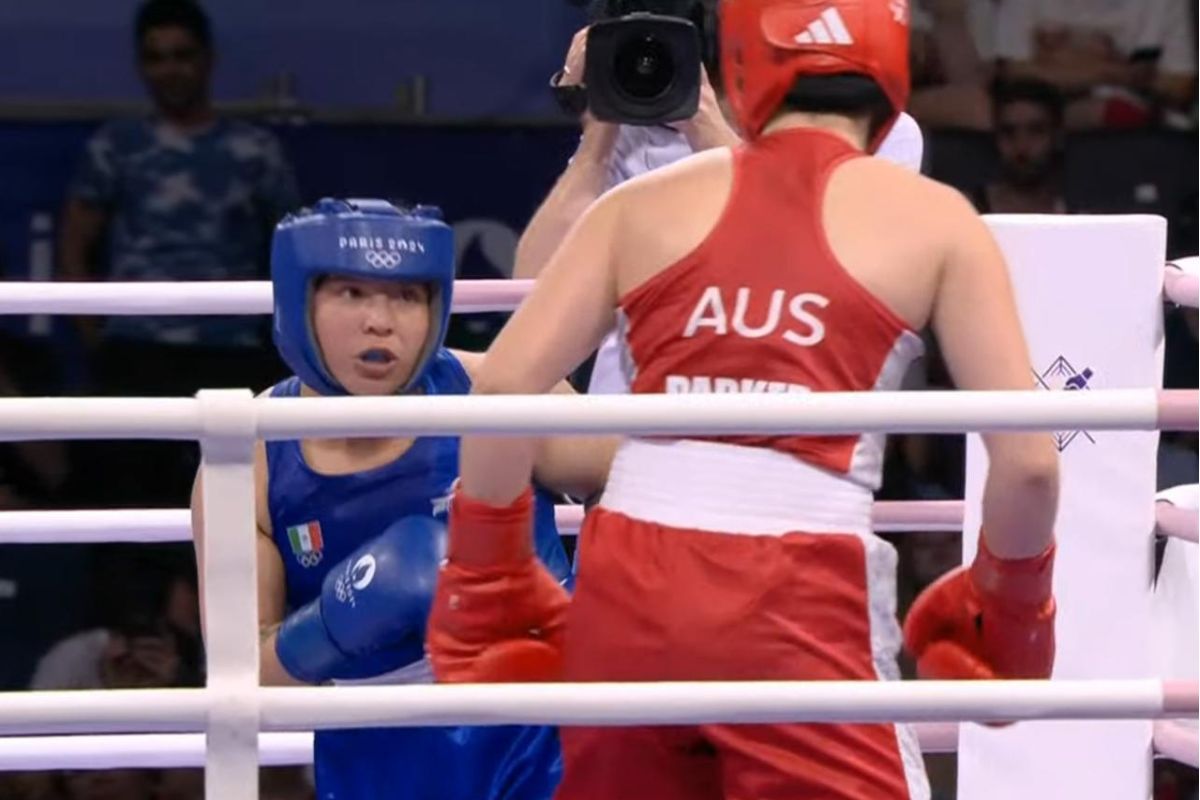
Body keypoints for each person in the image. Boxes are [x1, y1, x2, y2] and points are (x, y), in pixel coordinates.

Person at [428, 0, 1060, 797]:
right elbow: (1031, 464)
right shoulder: (935, 222)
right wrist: (1010, 607)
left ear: (733, 70)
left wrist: (489, 575)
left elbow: (507, 387)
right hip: (799, 580)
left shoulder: (639, 208)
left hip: (629, 570)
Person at [190, 198, 616, 799]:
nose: (381, 322)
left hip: (547, 734)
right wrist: (340, 619)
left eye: (406, 296)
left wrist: (586, 618)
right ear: (298, 301)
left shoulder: (498, 394)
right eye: (352, 294)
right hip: (377, 752)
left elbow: (629, 485)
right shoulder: (252, 459)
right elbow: (243, 678)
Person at [520, 10, 925, 394]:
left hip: (789, 419)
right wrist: (597, 133)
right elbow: (527, 290)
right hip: (630, 426)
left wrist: (705, 126)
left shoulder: (877, 130)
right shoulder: (631, 132)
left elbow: (821, 272)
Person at [59, 0, 300, 507]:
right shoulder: (116, 146)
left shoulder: (254, 151)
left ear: (207, 59)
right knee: (125, 510)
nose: (170, 69)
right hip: (134, 353)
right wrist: (97, 340)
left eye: (181, 54)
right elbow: (74, 246)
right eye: (155, 57)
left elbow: (291, 251)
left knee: (237, 505)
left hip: (232, 353)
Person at [972, 79, 1070, 214]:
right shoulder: (965, 212)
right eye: (1008, 132)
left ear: (1058, 137)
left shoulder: (1082, 218)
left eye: (1036, 131)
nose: (1021, 146)